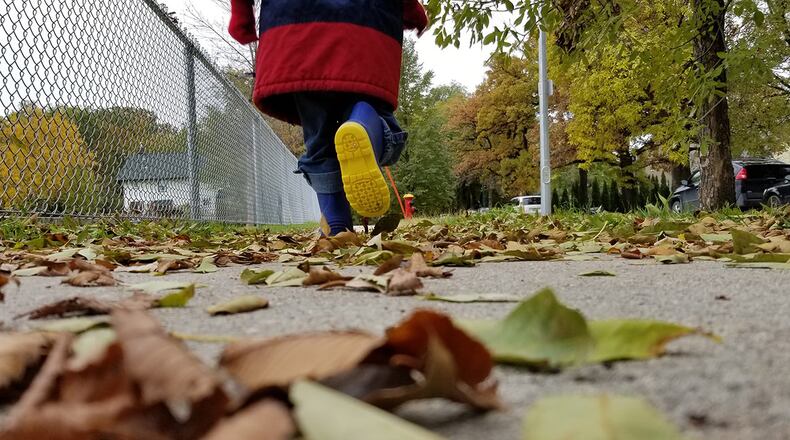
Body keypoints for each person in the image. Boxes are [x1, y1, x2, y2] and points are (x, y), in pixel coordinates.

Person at [228, 0, 429, 235]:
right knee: (376, 116)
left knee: (318, 139)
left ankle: (337, 227)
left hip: (295, 30)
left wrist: (242, 18)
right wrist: (414, 12)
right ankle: (363, 123)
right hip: (366, 26)